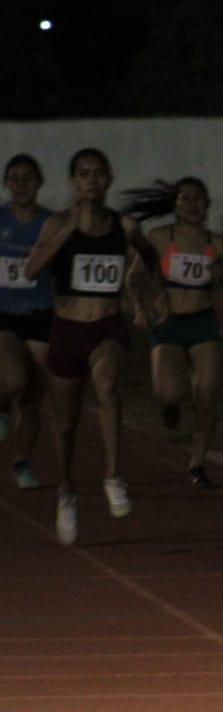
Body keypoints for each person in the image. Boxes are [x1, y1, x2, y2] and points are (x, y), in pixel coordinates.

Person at [24, 148, 164, 546]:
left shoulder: (124, 226)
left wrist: (149, 293)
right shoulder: (56, 224)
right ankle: (67, 491)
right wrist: (68, 232)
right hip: (67, 330)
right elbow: (32, 270)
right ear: (72, 182)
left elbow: (150, 257)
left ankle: (113, 476)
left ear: (109, 180)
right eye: (83, 174)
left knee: (107, 384)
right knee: (64, 427)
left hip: (106, 325)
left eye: (98, 174)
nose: (91, 181)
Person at [123, 177, 223, 489]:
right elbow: (133, 279)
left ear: (207, 204)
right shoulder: (158, 238)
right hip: (167, 324)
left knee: (207, 396)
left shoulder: (218, 244)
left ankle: (197, 464)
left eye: (198, 198)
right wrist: (140, 308)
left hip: (202, 323)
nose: (192, 204)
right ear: (175, 204)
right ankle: (170, 407)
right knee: (168, 393)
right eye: (185, 198)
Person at [0, 154, 54, 490]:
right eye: (16, 178)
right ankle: (2, 404)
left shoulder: (50, 223)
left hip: (41, 314)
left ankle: (22, 463)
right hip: (3, 314)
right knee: (14, 380)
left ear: (39, 183)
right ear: (7, 183)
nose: (22, 185)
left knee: (34, 396)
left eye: (28, 178)